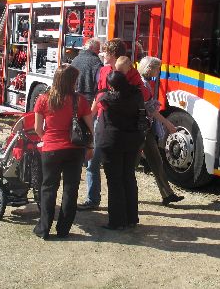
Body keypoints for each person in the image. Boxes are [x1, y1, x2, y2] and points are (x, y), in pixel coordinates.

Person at [33, 64, 94, 239]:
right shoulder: (80, 100)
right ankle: (63, 229)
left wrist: (47, 139)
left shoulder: (43, 99)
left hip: (51, 148)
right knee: (70, 189)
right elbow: (91, 127)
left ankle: (44, 228)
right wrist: (90, 146)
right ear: (72, 81)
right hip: (74, 149)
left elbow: (37, 128)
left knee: (48, 188)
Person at [78, 38, 127, 211]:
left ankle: (120, 207)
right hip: (101, 120)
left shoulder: (129, 73)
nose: (102, 54)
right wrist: (90, 115)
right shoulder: (104, 70)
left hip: (118, 125)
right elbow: (99, 94)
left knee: (116, 167)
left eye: (105, 52)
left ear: (113, 54)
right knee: (92, 161)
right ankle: (93, 199)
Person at [132, 56, 184, 206]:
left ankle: (168, 194)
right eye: (157, 69)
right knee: (136, 163)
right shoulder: (143, 84)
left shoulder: (143, 82)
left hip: (144, 128)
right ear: (149, 69)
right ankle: (126, 194)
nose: (158, 72)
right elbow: (151, 109)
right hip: (141, 128)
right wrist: (167, 123)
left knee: (155, 160)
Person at [96, 71, 144, 230]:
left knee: (115, 181)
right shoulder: (136, 94)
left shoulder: (107, 99)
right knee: (128, 177)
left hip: (112, 141)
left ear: (111, 86)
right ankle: (131, 218)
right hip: (132, 140)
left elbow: (99, 98)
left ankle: (117, 220)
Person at [71, 38, 103, 104]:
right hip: (89, 99)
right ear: (91, 48)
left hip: (75, 96)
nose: (99, 52)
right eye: (97, 49)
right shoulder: (96, 62)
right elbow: (99, 82)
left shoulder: (75, 59)